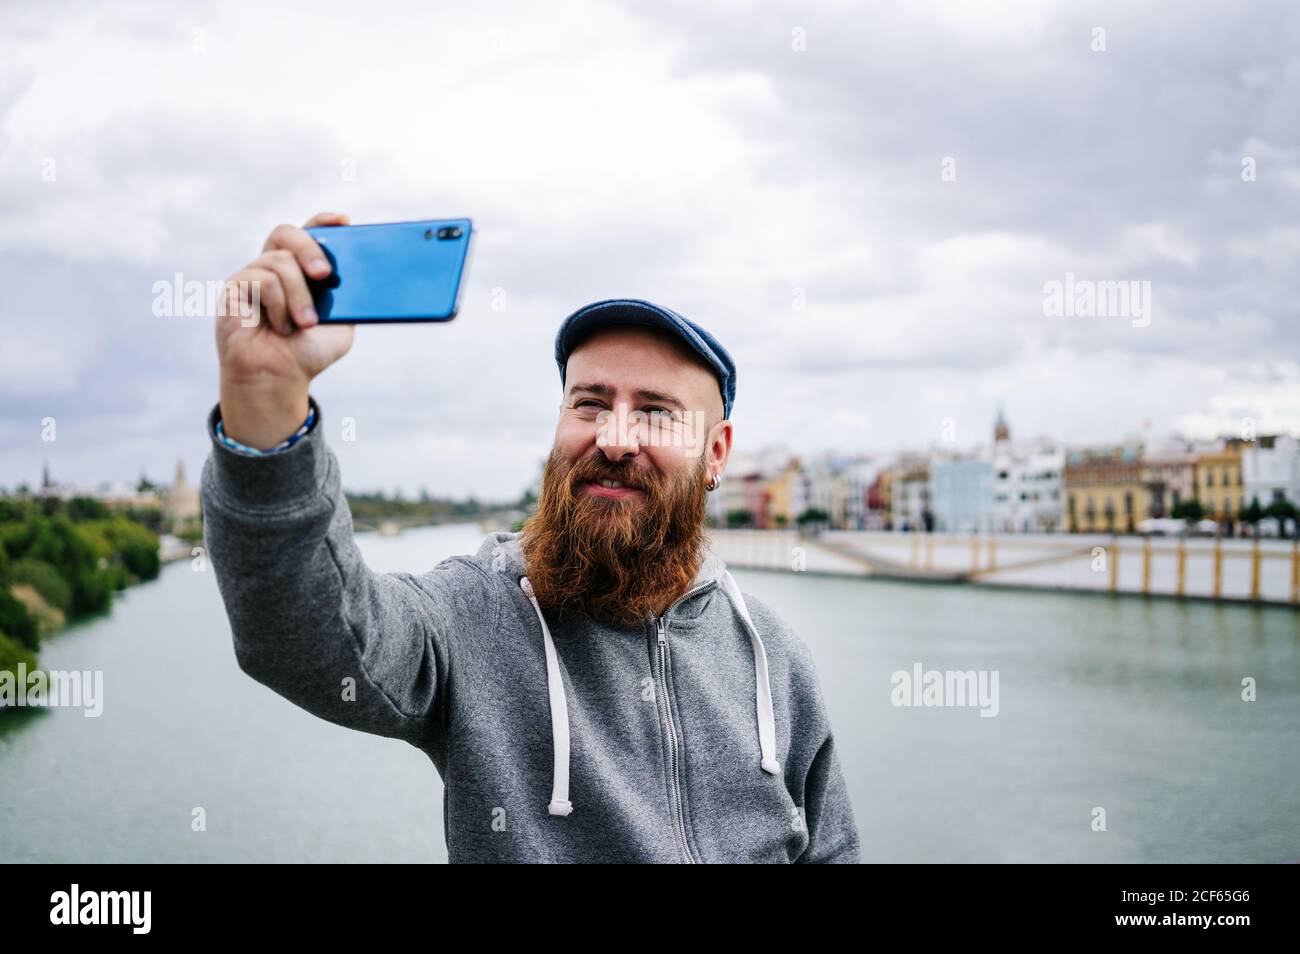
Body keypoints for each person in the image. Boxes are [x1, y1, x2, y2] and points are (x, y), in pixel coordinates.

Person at [203, 211, 860, 863]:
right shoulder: (473, 613)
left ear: (716, 453)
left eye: (657, 413)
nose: (615, 438)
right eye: (590, 402)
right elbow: (303, 637)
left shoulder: (775, 657)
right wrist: (262, 398)